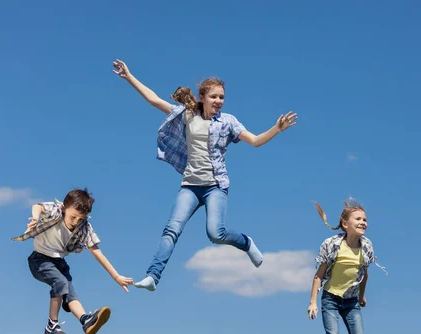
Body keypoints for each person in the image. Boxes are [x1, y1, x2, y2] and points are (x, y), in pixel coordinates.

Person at [112, 59, 298, 291]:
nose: (218, 101)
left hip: (215, 187)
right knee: (172, 228)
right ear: (202, 97)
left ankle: (246, 242)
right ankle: (153, 276)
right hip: (190, 185)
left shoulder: (228, 122)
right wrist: (129, 76)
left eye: (222, 97)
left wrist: (276, 129)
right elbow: (154, 100)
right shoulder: (188, 114)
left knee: (215, 233)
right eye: (214, 97)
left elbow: (256, 141)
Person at [12, 188, 134, 334]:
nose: (75, 222)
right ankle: (51, 326)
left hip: (59, 263)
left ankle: (85, 321)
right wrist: (35, 217)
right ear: (64, 208)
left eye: (81, 219)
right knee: (60, 282)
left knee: (70, 291)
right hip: (39, 260)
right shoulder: (55, 210)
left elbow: (97, 253)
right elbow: (38, 206)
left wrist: (116, 276)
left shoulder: (83, 228)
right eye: (73, 217)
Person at [307, 199, 387, 334]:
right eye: (358, 218)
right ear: (345, 224)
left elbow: (364, 274)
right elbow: (318, 276)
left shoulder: (366, 246)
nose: (363, 222)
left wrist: (361, 296)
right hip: (330, 300)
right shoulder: (332, 245)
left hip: (351, 302)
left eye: (365, 219)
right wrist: (313, 302)